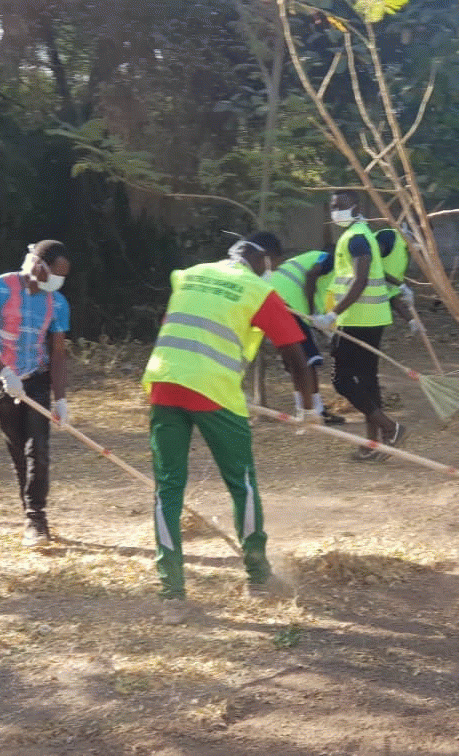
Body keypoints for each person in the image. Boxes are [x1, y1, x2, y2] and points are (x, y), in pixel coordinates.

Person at [141, 231, 320, 622]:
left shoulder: (188, 274)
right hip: (214, 391)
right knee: (243, 483)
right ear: (268, 260)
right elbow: (296, 354)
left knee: (167, 489)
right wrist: (309, 407)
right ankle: (258, 577)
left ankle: (171, 593)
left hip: (164, 383)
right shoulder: (257, 290)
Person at [0, 240, 71, 548]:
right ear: (38, 266)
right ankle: (29, 514)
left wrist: (60, 398)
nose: (59, 282)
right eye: (56, 274)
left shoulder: (57, 303)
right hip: (2, 379)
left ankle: (37, 519)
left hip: (36, 377)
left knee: (39, 449)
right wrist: (3, 371)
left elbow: (58, 354)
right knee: (18, 449)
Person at [306, 191, 406, 462]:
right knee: (367, 381)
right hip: (373, 318)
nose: (335, 211)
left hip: (356, 320)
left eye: (341, 205)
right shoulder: (362, 233)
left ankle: (390, 427)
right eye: (332, 206)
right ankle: (375, 442)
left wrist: (332, 314)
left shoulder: (357, 238)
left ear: (356, 206)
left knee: (342, 380)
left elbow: (361, 281)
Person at [269, 249, 345, 425]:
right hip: (291, 306)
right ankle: (315, 412)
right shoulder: (330, 259)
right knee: (306, 361)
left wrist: (323, 325)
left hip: (274, 301)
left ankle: (302, 409)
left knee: (295, 361)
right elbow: (312, 276)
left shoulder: (311, 258)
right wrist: (311, 314)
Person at [375, 226, 423, 335]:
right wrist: (401, 285)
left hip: (375, 299)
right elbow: (371, 266)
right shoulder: (388, 238)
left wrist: (411, 320)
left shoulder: (405, 252)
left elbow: (392, 296)